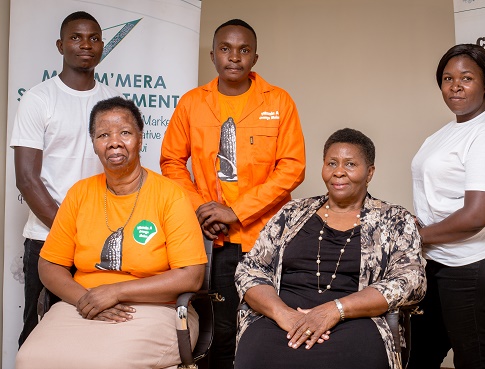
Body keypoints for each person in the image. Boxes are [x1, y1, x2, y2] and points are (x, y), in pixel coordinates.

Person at [15, 97, 207, 368]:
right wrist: (85, 299)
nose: (114, 142)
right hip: (83, 304)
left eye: (125, 133)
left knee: (106, 363)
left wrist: (115, 292)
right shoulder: (80, 193)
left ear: (141, 139)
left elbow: (192, 276)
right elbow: (49, 265)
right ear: (94, 144)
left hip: (157, 309)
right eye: (103, 135)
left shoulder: (171, 195)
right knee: (29, 359)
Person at [160, 18, 306, 368]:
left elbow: (292, 167)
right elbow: (171, 162)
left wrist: (236, 211)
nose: (234, 57)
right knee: (221, 328)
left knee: (269, 321)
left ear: (255, 57)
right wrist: (203, 210)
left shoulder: (279, 101)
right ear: (213, 55)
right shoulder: (193, 103)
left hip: (267, 237)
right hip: (215, 241)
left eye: (243, 50)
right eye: (225, 49)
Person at [234, 128, 426, 369]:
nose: (338, 172)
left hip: (355, 321)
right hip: (280, 320)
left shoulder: (395, 219)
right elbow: (250, 269)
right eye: (331, 163)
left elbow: (411, 280)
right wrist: (283, 314)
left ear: (370, 173)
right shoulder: (292, 213)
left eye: (350, 164)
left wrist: (336, 310)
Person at [408, 44, 485, 369]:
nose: (455, 85)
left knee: (474, 361)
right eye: (447, 78)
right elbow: (440, 196)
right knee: (417, 353)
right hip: (441, 256)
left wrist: (416, 236)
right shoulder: (451, 130)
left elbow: (477, 215)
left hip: (479, 260)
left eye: (466, 78)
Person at [10, 10, 120, 346]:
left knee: (91, 336)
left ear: (102, 45)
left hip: (100, 242)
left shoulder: (111, 103)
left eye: (94, 38)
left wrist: (93, 233)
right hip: (48, 239)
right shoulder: (38, 99)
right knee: (39, 334)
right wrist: (69, 234)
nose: (86, 45)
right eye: (76, 37)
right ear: (60, 45)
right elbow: (27, 179)